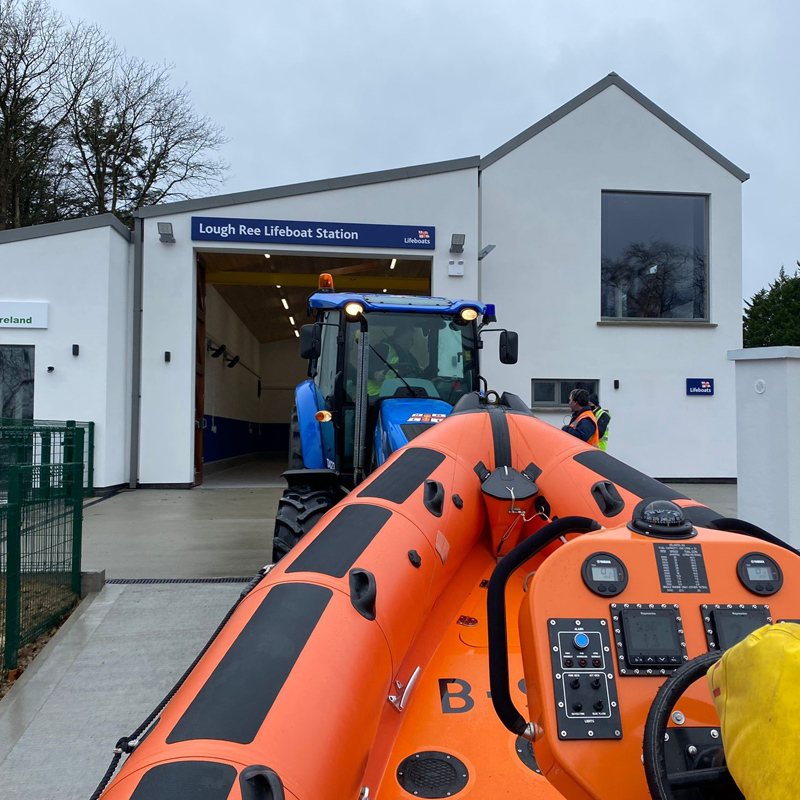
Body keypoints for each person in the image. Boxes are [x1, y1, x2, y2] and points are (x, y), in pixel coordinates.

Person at [367, 327, 420, 397]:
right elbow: (365, 367)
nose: (412, 343)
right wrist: (375, 374)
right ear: (399, 337)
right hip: (377, 396)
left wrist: (428, 381)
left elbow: (417, 375)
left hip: (403, 395)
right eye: (410, 339)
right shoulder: (382, 349)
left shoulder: (410, 358)